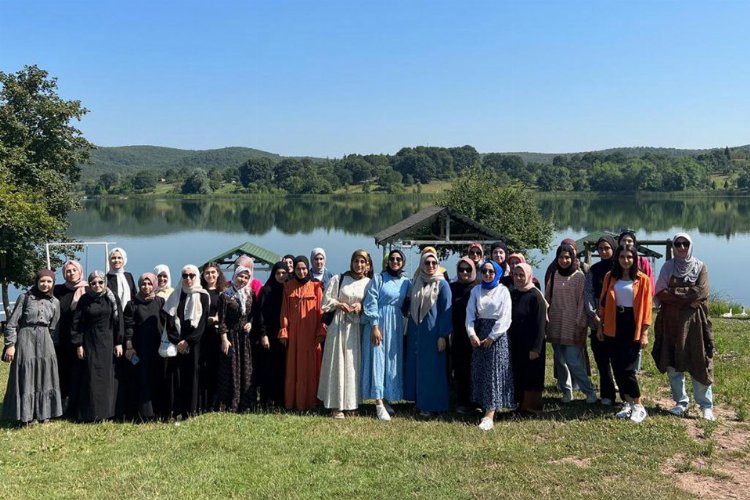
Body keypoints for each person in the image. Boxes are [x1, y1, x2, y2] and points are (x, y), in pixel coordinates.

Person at [653, 233, 716, 421]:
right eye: (678, 244)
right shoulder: (667, 267)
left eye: (685, 244)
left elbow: (701, 292)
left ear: (690, 246)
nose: (681, 248)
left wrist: (674, 294)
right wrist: (685, 296)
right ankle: (681, 401)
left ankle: (706, 405)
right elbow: (660, 292)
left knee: (699, 360)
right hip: (670, 322)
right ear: (673, 246)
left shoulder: (700, 267)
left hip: (694, 323)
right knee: (673, 362)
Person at [597, 245, 653, 422]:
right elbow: (603, 304)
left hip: (632, 324)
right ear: (617, 258)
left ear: (634, 259)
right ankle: (627, 402)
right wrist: (600, 327)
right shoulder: (610, 277)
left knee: (628, 368)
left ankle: (638, 405)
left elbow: (647, 309)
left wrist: (644, 333)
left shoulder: (642, 279)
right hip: (614, 323)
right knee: (617, 366)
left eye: (629, 257)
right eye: (622, 256)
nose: (625, 260)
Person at [2, 270, 63, 424]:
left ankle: (44, 413)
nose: (45, 284)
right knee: (26, 375)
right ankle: (26, 415)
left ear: (53, 283)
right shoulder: (25, 297)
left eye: (49, 281)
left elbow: (54, 327)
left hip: (45, 341)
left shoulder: (54, 302)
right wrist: (10, 345)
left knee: (45, 375)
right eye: (42, 281)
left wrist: (49, 343)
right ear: (37, 281)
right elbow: (12, 324)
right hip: (25, 338)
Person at [318, 250, 371, 418]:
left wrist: (361, 307)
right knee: (337, 363)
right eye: (356, 261)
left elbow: (372, 303)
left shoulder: (369, 283)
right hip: (339, 326)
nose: (359, 265)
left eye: (362, 262)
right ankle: (336, 405)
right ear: (351, 262)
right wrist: (340, 304)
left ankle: (351, 403)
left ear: (367, 265)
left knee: (353, 365)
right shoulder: (338, 279)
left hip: (356, 328)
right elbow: (325, 302)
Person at [361, 249, 411, 421]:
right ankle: (378, 403)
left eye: (398, 259)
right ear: (387, 261)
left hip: (395, 326)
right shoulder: (379, 278)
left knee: (391, 361)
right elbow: (371, 301)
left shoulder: (406, 282)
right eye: (392, 259)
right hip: (379, 323)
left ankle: (387, 397)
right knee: (377, 360)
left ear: (403, 262)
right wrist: (375, 325)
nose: (395, 261)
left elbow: (411, 300)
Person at [545, 243, 597, 404]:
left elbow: (583, 302)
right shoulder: (554, 275)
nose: (564, 260)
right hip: (556, 323)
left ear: (573, 258)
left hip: (573, 324)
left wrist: (580, 323)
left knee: (573, 361)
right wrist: (546, 319)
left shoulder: (579, 276)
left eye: (567, 257)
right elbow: (547, 298)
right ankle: (567, 392)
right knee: (560, 361)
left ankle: (589, 391)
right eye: (561, 257)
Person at [465, 260, 513, 431]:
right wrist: (471, 333)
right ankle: (482, 404)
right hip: (479, 332)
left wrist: (492, 336)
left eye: (491, 272)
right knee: (481, 370)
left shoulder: (503, 291)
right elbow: (470, 313)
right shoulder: (476, 290)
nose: (487, 274)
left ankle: (490, 414)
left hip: (496, 335)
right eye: (484, 271)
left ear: (497, 273)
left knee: (494, 373)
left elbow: (505, 317)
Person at [71, 270, 124, 422]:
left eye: (100, 282)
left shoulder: (112, 298)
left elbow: (118, 320)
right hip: (91, 342)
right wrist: (79, 344)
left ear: (105, 283)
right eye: (93, 283)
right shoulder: (84, 300)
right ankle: (92, 413)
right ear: (89, 284)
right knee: (92, 377)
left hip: (108, 342)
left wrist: (119, 342)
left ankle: (108, 413)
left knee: (108, 377)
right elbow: (77, 323)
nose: (97, 285)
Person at [404, 250, 452, 418]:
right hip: (417, 331)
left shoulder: (442, 284)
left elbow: (447, 311)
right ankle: (420, 402)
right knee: (419, 367)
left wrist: (443, 335)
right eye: (427, 263)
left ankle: (434, 405)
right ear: (422, 264)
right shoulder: (417, 280)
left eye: (433, 263)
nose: (430, 266)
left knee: (433, 369)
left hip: (434, 333)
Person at [278, 256, 326, 411]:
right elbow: (284, 310)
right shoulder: (288, 286)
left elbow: (321, 311)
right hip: (295, 334)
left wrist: (320, 330)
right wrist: (284, 330)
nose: (301, 271)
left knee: (311, 367)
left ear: (308, 269)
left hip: (311, 333)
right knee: (294, 367)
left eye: (304, 268)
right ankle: (294, 403)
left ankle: (312, 402)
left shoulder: (317, 286)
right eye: (298, 269)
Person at [163, 265, 210, 419]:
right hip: (177, 342)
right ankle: (176, 410)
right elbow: (169, 320)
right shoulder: (176, 295)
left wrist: (188, 341)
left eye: (191, 275)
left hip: (195, 343)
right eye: (185, 276)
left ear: (197, 276)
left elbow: (202, 322)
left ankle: (191, 410)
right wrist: (178, 341)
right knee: (177, 376)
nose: (188, 279)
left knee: (193, 375)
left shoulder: (203, 296)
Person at [123, 273, 166, 421]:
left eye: (149, 284)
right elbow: (128, 325)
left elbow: (167, 323)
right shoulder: (132, 303)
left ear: (154, 284)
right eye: (143, 284)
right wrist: (129, 346)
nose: (146, 287)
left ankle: (158, 412)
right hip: (139, 347)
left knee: (157, 377)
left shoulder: (160, 301)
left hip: (157, 346)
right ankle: (142, 414)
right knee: (141, 379)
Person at [508, 263, 548, 415]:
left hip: (532, 346)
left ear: (529, 276)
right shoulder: (514, 293)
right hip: (517, 343)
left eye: (521, 275)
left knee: (532, 376)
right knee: (520, 374)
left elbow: (540, 325)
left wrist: (536, 348)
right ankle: (521, 405)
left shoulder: (535, 296)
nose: (518, 278)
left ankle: (532, 407)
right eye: (516, 275)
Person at [584, 235, 618, 405]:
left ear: (613, 248)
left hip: (617, 319)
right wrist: (595, 316)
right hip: (596, 319)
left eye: (607, 248)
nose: (604, 252)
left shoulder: (621, 268)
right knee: (602, 360)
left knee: (618, 359)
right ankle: (607, 394)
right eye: (601, 249)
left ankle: (626, 394)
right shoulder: (593, 270)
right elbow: (588, 294)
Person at [217, 266, 256, 412]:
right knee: (232, 369)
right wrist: (224, 339)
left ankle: (246, 403)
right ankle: (231, 403)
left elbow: (253, 314)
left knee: (246, 369)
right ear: (235, 276)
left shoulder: (250, 293)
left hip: (245, 338)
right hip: (231, 336)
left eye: (246, 277)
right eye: (240, 276)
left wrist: (250, 323)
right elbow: (222, 320)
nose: (243, 280)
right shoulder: (226, 295)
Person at [53, 260, 88, 416]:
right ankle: (62, 405)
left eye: (74, 270)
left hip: (79, 338)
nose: (71, 273)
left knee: (78, 371)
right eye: (68, 271)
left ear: (80, 271)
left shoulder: (87, 288)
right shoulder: (57, 290)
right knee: (61, 371)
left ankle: (77, 404)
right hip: (60, 338)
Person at [255, 262, 288, 408]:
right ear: (273, 274)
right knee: (268, 368)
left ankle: (281, 400)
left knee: (282, 368)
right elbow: (260, 314)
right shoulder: (266, 290)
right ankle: (266, 401)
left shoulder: (288, 290)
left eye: (284, 273)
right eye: (278, 273)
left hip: (284, 335)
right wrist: (263, 334)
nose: (281, 276)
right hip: (269, 335)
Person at [449, 257, 478, 414]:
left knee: (476, 368)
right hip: (459, 334)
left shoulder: (479, 287)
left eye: (468, 269)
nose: (465, 272)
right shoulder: (452, 287)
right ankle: (461, 401)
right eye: (461, 269)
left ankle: (476, 401)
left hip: (475, 334)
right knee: (460, 369)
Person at [198, 262, 228, 412]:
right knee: (203, 368)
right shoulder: (199, 291)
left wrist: (216, 319)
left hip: (217, 335)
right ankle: (203, 402)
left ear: (218, 274)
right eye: (207, 273)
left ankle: (215, 403)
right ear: (203, 275)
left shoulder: (223, 292)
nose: (210, 275)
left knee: (217, 368)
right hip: (202, 335)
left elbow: (227, 314)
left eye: (213, 272)